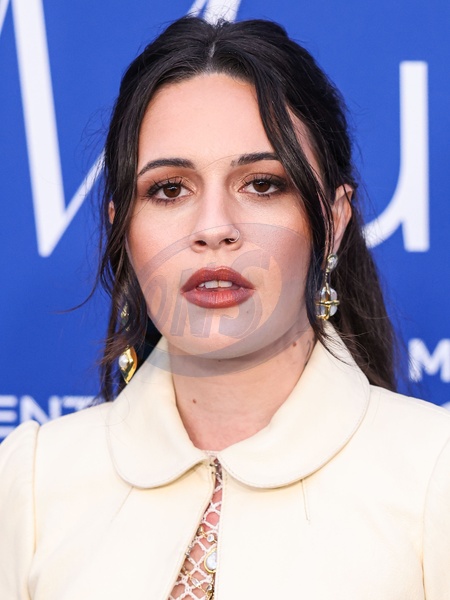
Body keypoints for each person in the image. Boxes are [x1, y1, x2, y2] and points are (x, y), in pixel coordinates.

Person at [0, 16, 449, 600]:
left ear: (334, 222)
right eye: (169, 189)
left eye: (262, 184)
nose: (213, 228)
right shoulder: (32, 484)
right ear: (121, 228)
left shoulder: (434, 474)